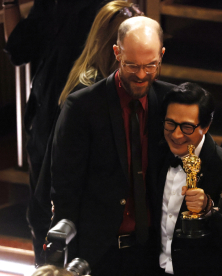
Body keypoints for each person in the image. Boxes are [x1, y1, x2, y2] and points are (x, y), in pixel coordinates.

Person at [50, 16, 175, 275]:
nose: (141, 75)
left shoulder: (171, 102)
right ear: (117, 53)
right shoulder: (81, 108)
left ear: (161, 55)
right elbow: (65, 191)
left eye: (150, 65)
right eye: (132, 65)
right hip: (98, 254)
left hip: (155, 253)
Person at [30, 1, 143, 264]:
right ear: (115, 47)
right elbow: (71, 174)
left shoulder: (94, 79)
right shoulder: (87, 93)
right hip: (74, 222)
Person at [2, 0, 109, 265]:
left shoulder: (102, 7)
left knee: (71, 215)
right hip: (44, 121)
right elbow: (19, 48)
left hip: (82, 125)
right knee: (39, 214)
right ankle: (45, 269)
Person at [149, 83, 222, 276]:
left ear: (205, 126)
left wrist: (208, 209)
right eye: (170, 123)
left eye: (187, 127)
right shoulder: (156, 154)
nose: (176, 134)